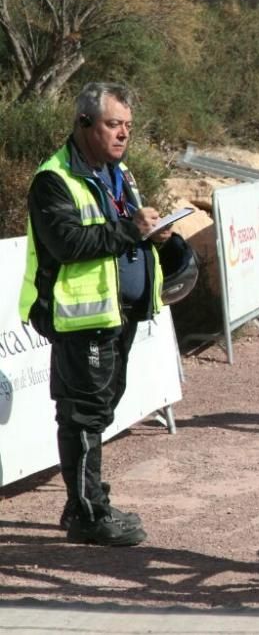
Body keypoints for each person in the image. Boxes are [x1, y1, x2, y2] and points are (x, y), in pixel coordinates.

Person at [18, 82, 171, 546]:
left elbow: (122, 233)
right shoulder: (53, 179)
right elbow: (67, 243)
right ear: (85, 124)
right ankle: (88, 514)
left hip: (114, 314)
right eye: (112, 124)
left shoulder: (115, 171)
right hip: (78, 319)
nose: (123, 134)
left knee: (99, 410)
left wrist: (156, 236)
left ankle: (81, 503)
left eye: (127, 126)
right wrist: (130, 230)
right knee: (83, 415)